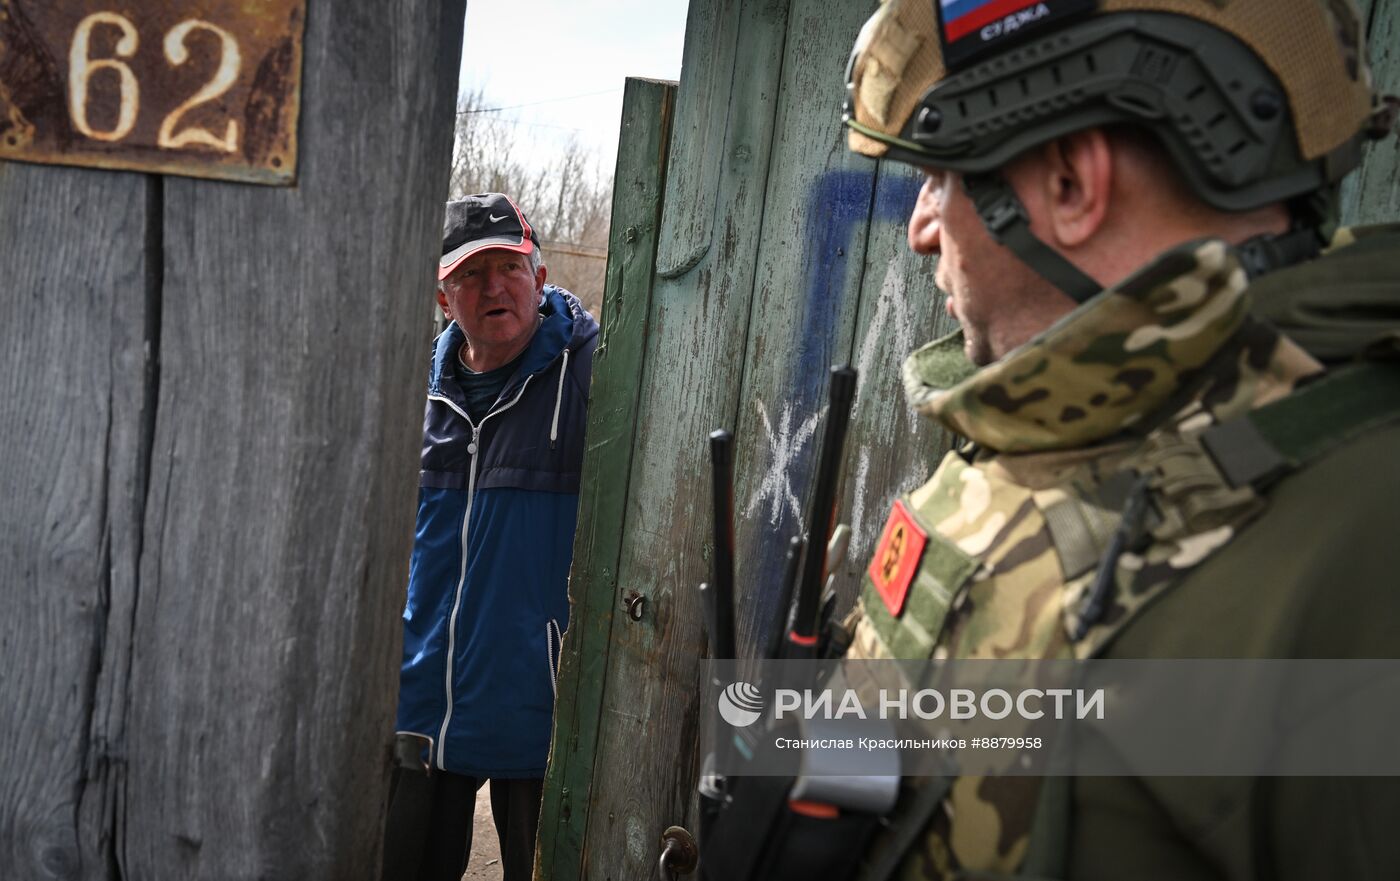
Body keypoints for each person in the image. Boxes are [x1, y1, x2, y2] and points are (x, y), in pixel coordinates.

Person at [836, 0, 1400, 878]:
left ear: (1069, 184)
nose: (920, 228)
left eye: (941, 176)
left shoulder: (1362, 545)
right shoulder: (1033, 428)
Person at [382, 193, 598, 881]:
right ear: (445, 298)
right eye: (471, 275)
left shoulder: (596, 376)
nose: (493, 287)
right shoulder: (409, 389)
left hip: (540, 712)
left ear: (540, 278)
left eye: (508, 266)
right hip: (425, 709)